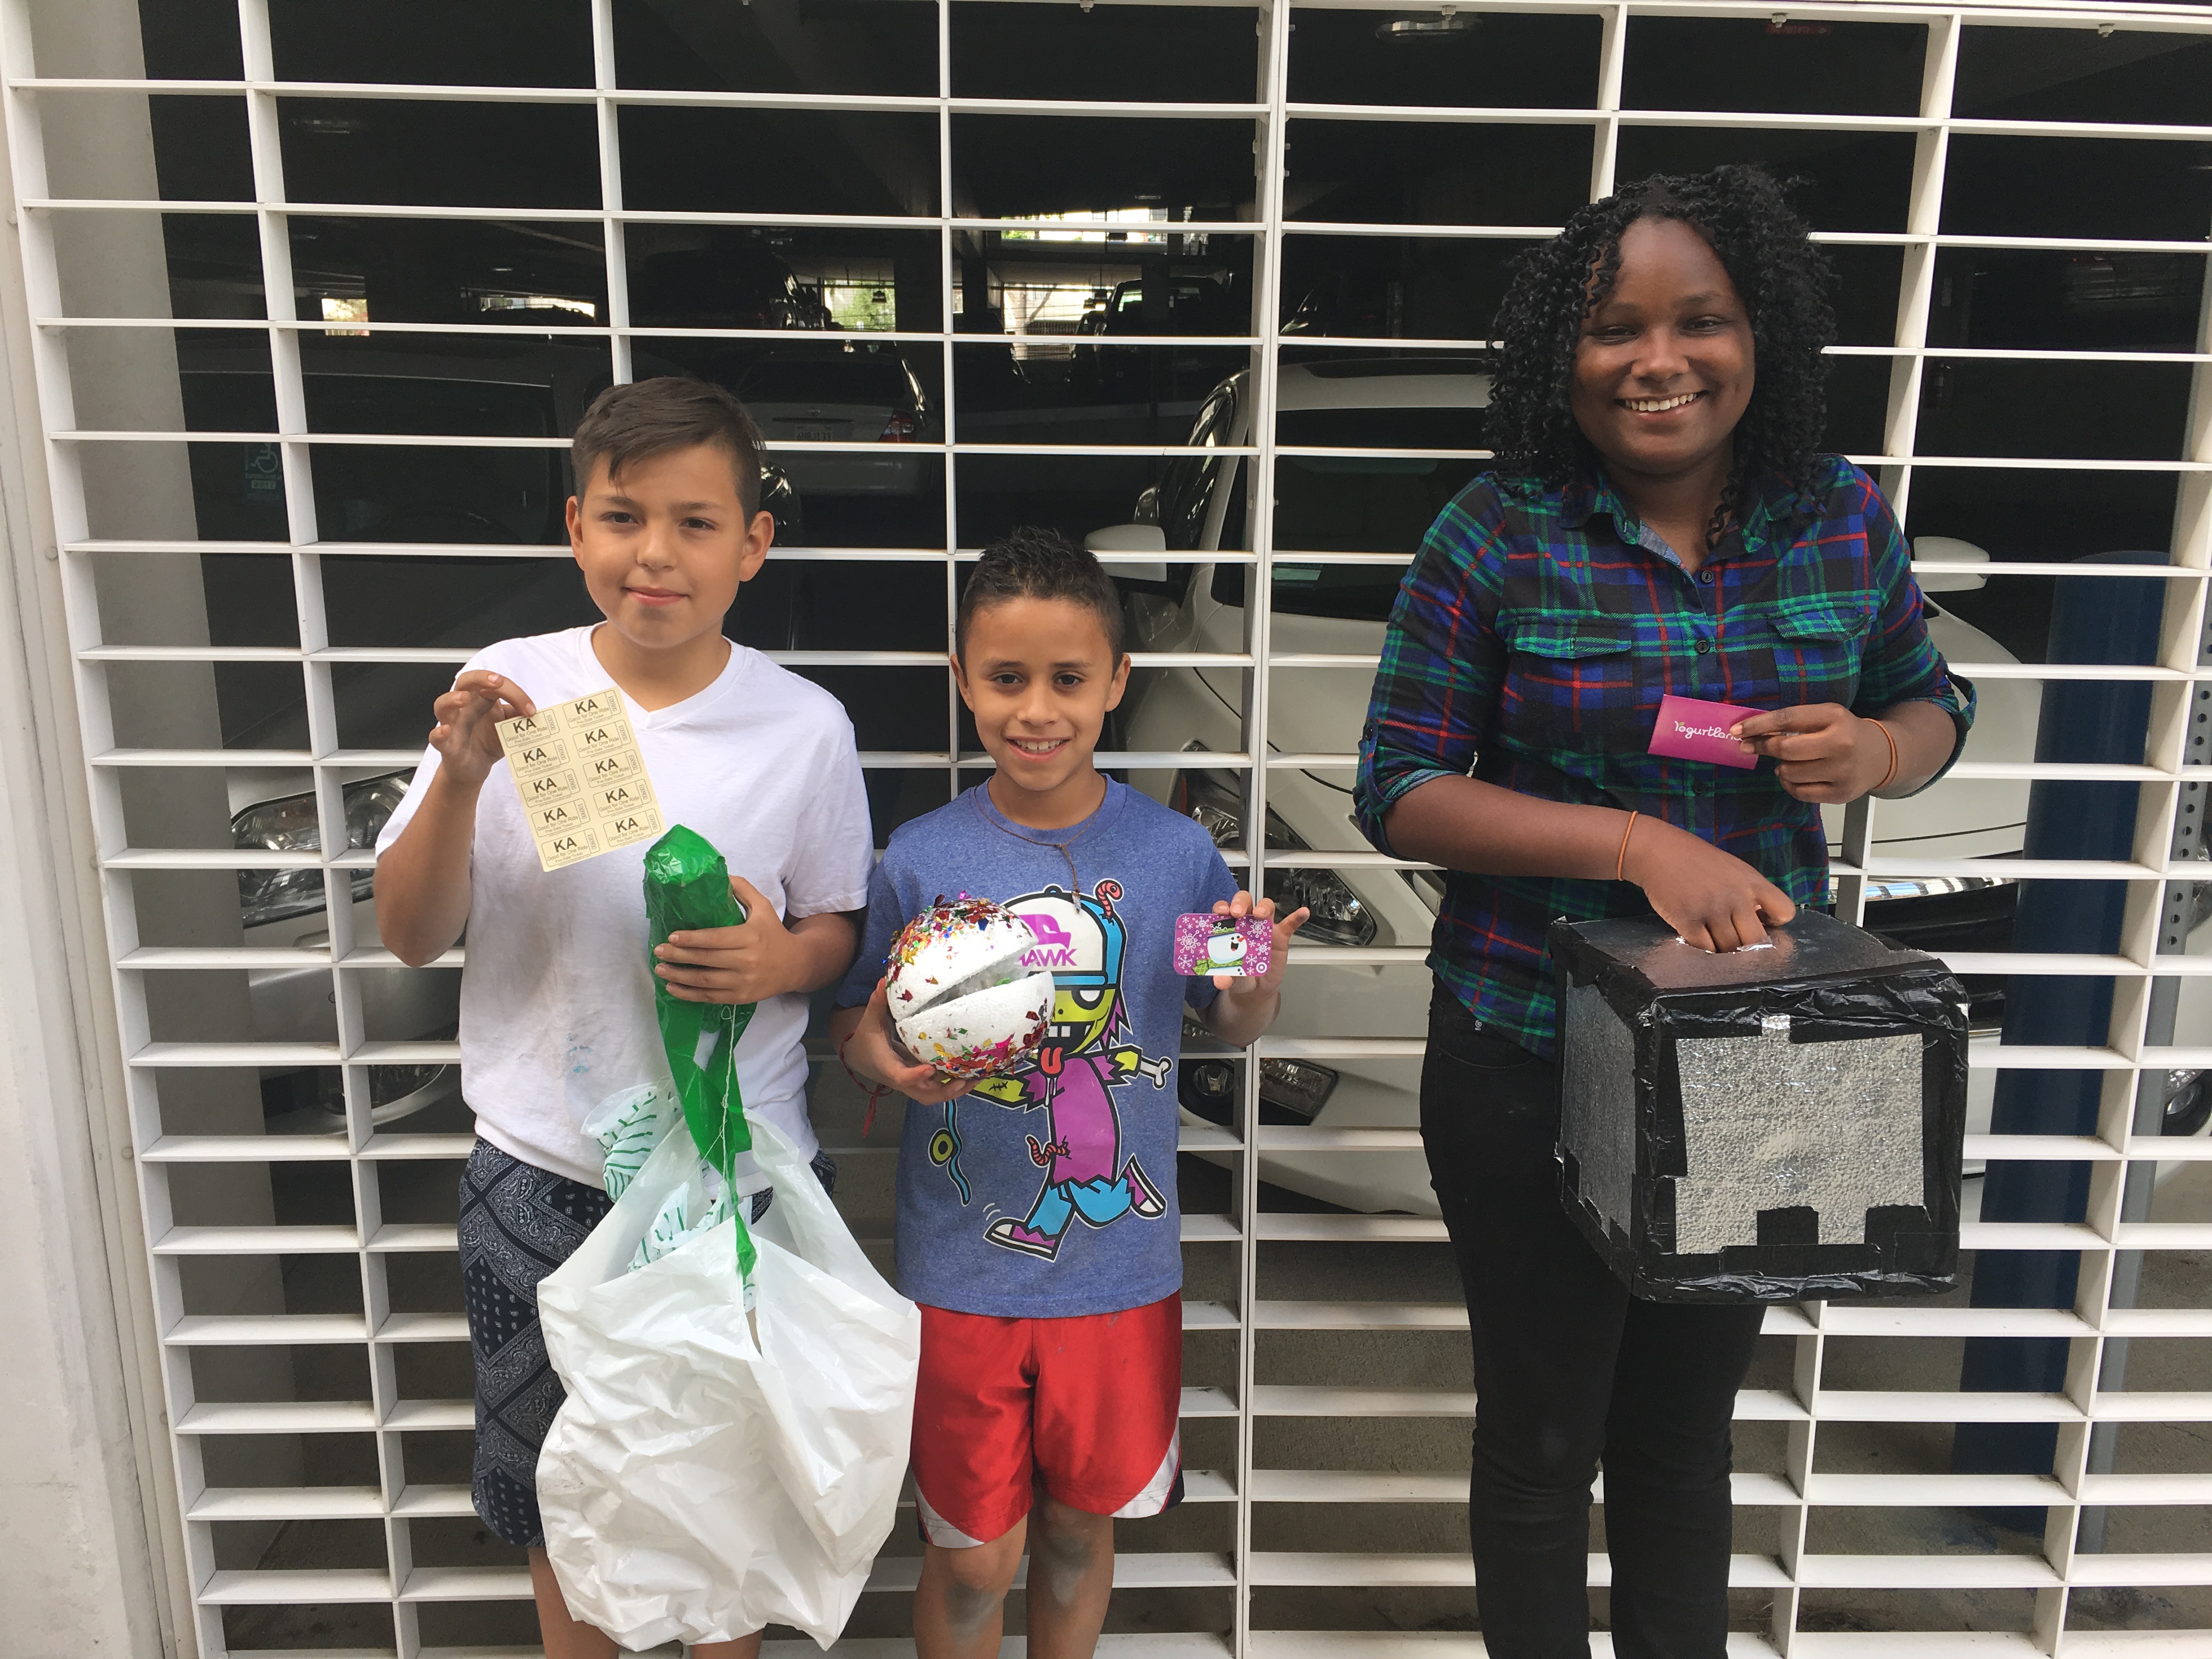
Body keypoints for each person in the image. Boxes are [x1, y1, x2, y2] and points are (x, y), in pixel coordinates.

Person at [1353, 166, 1976, 1657]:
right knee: (1543, 1443)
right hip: (1526, 1044)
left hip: (1767, 1049)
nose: (1659, 360)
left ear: (1762, 338)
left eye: (1701, 321)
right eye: (1614, 328)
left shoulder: (1840, 519)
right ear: (1555, 355)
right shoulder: (1493, 534)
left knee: (1687, 1447)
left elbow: (1934, 695)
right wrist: (1636, 843)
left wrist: (1879, 748)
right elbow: (1402, 788)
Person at [375, 377, 873, 1659]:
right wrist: (458, 783)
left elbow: (836, 928)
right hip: (539, 1171)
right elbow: (409, 933)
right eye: (624, 517)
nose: (657, 552)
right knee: (565, 1500)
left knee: (729, 1496)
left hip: (731, 1173)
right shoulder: (507, 696)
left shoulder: (805, 727)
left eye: (697, 523)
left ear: (754, 544)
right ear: (575, 527)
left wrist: (778, 959)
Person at [830, 528, 1307, 1659]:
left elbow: (1222, 1020)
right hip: (958, 1272)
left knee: (1080, 1538)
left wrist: (1256, 981)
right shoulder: (919, 856)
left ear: (1116, 685)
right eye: (1005, 679)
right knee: (973, 1557)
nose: (1035, 710)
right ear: (962, 681)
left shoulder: (1182, 856)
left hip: (1121, 1274)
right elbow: (853, 1028)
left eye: (1066, 679)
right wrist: (879, 1060)